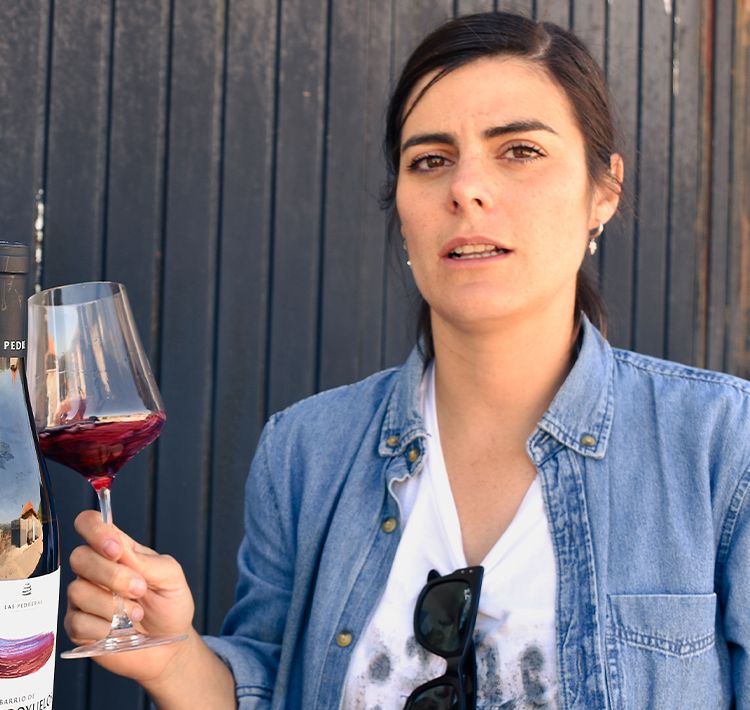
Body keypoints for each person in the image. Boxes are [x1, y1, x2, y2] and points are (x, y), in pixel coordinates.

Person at [64, 11, 750, 709]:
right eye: (431, 160)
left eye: (520, 151)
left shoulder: (721, 446)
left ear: (603, 190)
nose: (465, 188)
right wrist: (175, 659)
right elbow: (267, 688)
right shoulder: (305, 451)